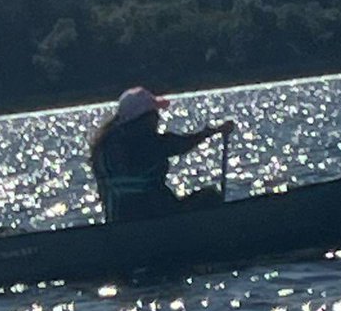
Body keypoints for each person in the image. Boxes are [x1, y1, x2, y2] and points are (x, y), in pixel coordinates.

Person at [90, 87, 234, 222]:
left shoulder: (103, 146)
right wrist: (212, 132)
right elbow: (179, 144)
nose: (158, 118)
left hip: (117, 220)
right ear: (144, 118)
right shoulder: (146, 143)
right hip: (157, 217)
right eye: (154, 114)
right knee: (210, 196)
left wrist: (211, 132)